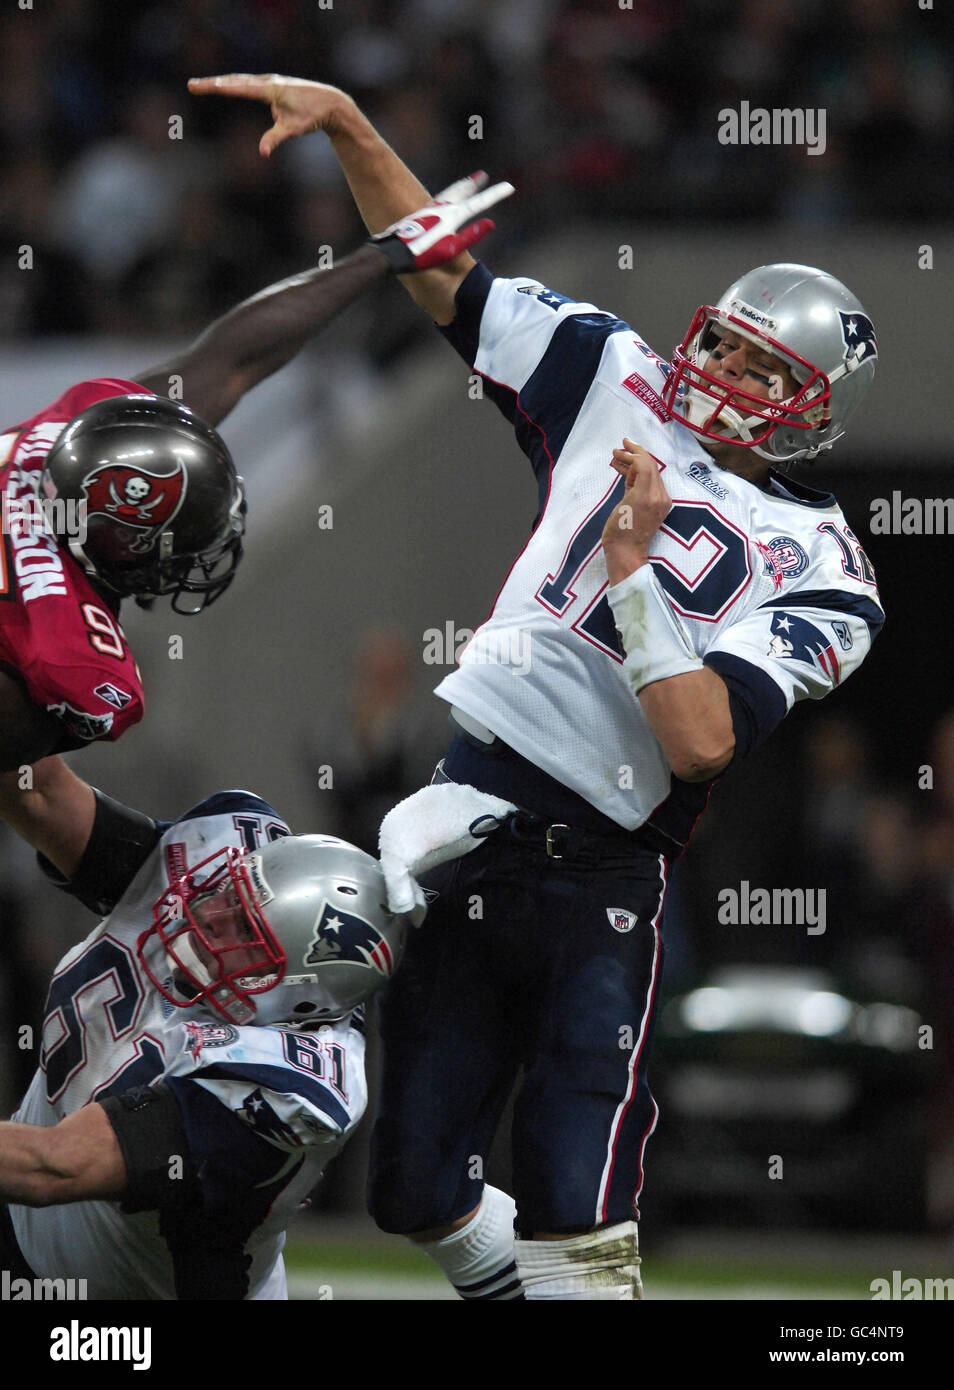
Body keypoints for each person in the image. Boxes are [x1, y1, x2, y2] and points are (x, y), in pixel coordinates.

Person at [193, 73, 884, 1300]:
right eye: (720, 337)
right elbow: (443, 266)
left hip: (607, 870)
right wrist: (357, 128)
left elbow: (700, 738)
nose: (718, 365)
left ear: (812, 411)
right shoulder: (613, 378)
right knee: (410, 1185)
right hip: (470, 821)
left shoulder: (827, 571)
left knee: (575, 1193)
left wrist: (631, 573)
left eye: (759, 365)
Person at [0, 167, 510, 779]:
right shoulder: (72, 659)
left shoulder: (65, 439)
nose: (198, 554)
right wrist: (377, 260)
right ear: (126, 545)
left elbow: (234, 360)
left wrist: (382, 259)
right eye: (184, 541)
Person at [0, 765, 412, 1300]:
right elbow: (37, 794)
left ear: (299, 996)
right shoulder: (214, 861)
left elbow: (55, 1166)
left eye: (246, 928)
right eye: (234, 892)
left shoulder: (284, 1085)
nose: (211, 913)